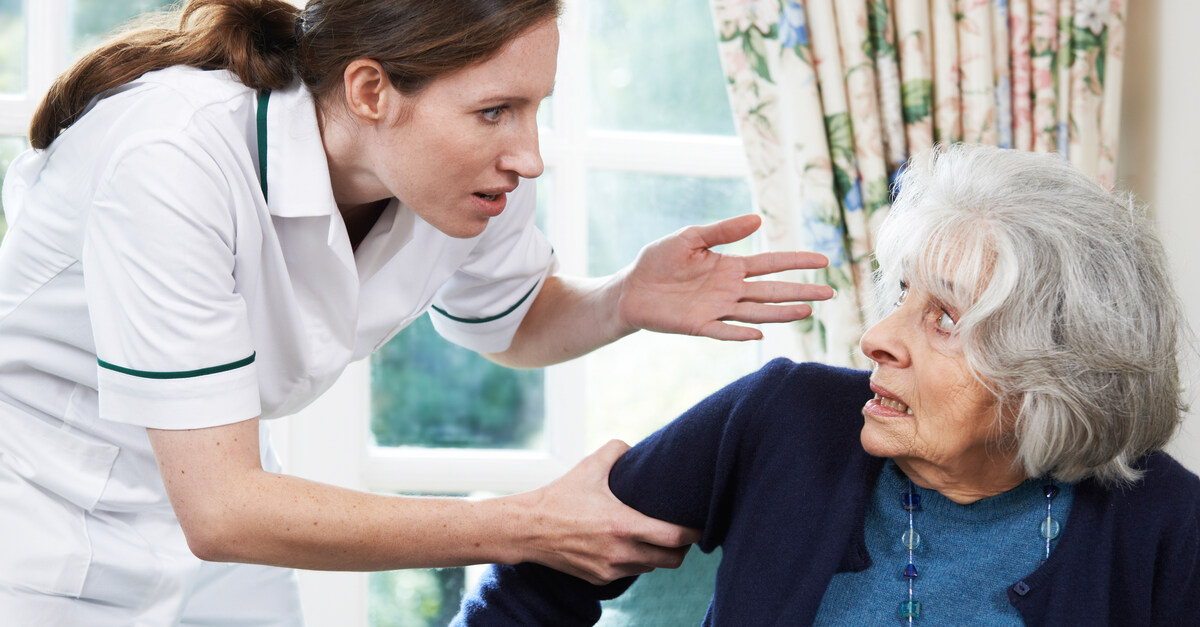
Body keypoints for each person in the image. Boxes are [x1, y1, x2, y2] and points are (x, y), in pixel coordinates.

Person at [0, 0, 836, 623]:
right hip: (41, 536)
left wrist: (625, 299)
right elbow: (221, 507)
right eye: (495, 111)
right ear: (371, 90)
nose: (530, 154)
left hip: (209, 545)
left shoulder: (456, 181)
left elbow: (512, 322)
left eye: (535, 107)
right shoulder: (172, 156)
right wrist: (525, 526)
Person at [454, 143, 1200, 626]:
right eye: (901, 293)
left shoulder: (1168, 527)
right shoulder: (787, 417)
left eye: (943, 318)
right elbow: (530, 584)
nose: (877, 336)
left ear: (1056, 374)